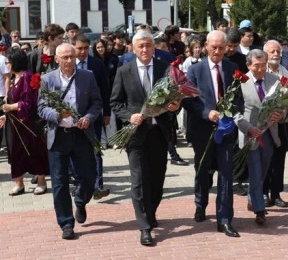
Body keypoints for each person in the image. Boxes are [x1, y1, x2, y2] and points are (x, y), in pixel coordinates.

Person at [110, 31, 182, 246]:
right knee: (139, 181)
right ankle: (144, 226)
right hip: (135, 134)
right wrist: (128, 116)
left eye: (148, 45)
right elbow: (115, 103)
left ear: (154, 47)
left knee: (157, 180)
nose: (144, 50)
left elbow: (174, 100)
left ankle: (150, 213)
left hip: (159, 133)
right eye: (140, 46)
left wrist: (175, 106)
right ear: (133, 48)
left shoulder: (165, 69)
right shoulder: (124, 71)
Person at [37, 43, 103, 240]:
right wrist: (57, 115)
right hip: (58, 135)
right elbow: (41, 108)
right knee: (59, 182)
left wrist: (88, 118)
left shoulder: (87, 76)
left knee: (89, 176)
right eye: (64, 57)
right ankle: (66, 223)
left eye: (71, 56)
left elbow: (97, 103)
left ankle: (81, 201)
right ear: (56, 59)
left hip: (81, 134)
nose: (68, 60)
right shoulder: (47, 79)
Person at [183, 30, 243, 237]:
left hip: (226, 132)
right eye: (214, 47)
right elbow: (188, 100)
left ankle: (225, 219)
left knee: (226, 175)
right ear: (206, 46)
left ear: (226, 48)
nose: (217, 51)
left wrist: (230, 114)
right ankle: (200, 203)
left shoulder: (233, 68)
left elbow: (239, 100)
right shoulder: (195, 70)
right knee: (203, 171)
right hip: (202, 131)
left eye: (221, 48)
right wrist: (206, 113)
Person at [236, 49, 283, 225]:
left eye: (264, 65)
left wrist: (281, 114)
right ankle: (259, 209)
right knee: (255, 171)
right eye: (257, 66)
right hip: (250, 135)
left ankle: (252, 195)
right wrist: (248, 127)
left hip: (269, 133)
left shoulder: (274, 80)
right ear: (248, 65)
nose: (261, 69)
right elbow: (233, 111)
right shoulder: (240, 81)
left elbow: (283, 106)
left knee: (263, 169)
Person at [0, 49, 49, 195]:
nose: (6, 65)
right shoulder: (14, 78)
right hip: (14, 123)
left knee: (35, 151)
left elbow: (29, 102)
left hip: (28, 123)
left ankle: (41, 181)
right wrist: (5, 108)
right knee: (15, 153)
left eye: (7, 62)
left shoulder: (27, 77)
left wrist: (11, 106)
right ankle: (19, 183)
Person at [72, 34, 112, 199]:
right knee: (74, 150)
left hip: (94, 114)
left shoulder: (96, 64)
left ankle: (98, 185)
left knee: (95, 149)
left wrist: (107, 112)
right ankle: (79, 183)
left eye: (85, 48)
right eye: (79, 48)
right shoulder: (67, 63)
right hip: (72, 116)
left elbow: (105, 88)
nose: (82, 52)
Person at [263, 39, 288, 207]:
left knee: (279, 158)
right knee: (266, 158)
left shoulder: (284, 71)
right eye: (272, 52)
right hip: (264, 123)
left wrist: (285, 109)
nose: (276, 54)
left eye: (278, 52)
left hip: (282, 121)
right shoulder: (261, 70)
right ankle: (263, 192)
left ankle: (276, 193)